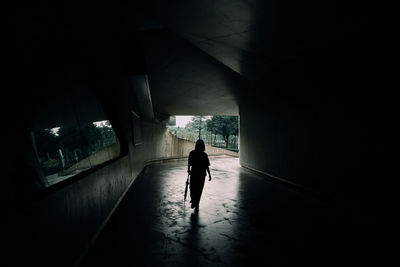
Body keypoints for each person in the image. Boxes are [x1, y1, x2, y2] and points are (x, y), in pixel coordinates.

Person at [187, 139, 212, 212]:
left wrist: (188, 170)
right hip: (202, 174)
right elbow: (207, 166)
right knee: (199, 189)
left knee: (192, 188)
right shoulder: (204, 155)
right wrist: (209, 175)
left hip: (194, 173)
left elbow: (189, 163)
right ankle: (196, 202)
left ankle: (194, 200)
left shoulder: (192, 153)